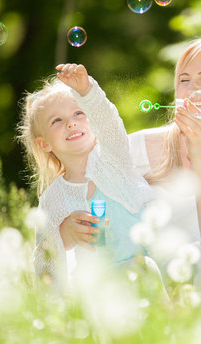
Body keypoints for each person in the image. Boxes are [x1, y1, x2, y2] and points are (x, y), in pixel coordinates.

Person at [61, 35, 201, 282]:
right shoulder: (137, 148)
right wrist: (68, 229)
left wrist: (199, 156)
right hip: (138, 284)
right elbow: (84, 197)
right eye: (184, 80)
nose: (191, 88)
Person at [17, 63, 154, 290]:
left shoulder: (114, 160)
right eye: (56, 121)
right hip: (103, 290)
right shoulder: (54, 199)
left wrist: (87, 91)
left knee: (147, 268)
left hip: (155, 266)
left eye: (79, 113)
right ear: (44, 144)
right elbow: (43, 264)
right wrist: (63, 235)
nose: (71, 123)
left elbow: (109, 124)